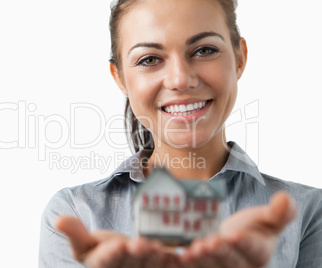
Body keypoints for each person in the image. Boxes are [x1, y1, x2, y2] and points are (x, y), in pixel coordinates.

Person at [39, 0, 322, 267]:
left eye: (204, 50)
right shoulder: (76, 213)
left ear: (239, 58)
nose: (180, 79)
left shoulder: (309, 212)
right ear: (120, 77)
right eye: (150, 59)